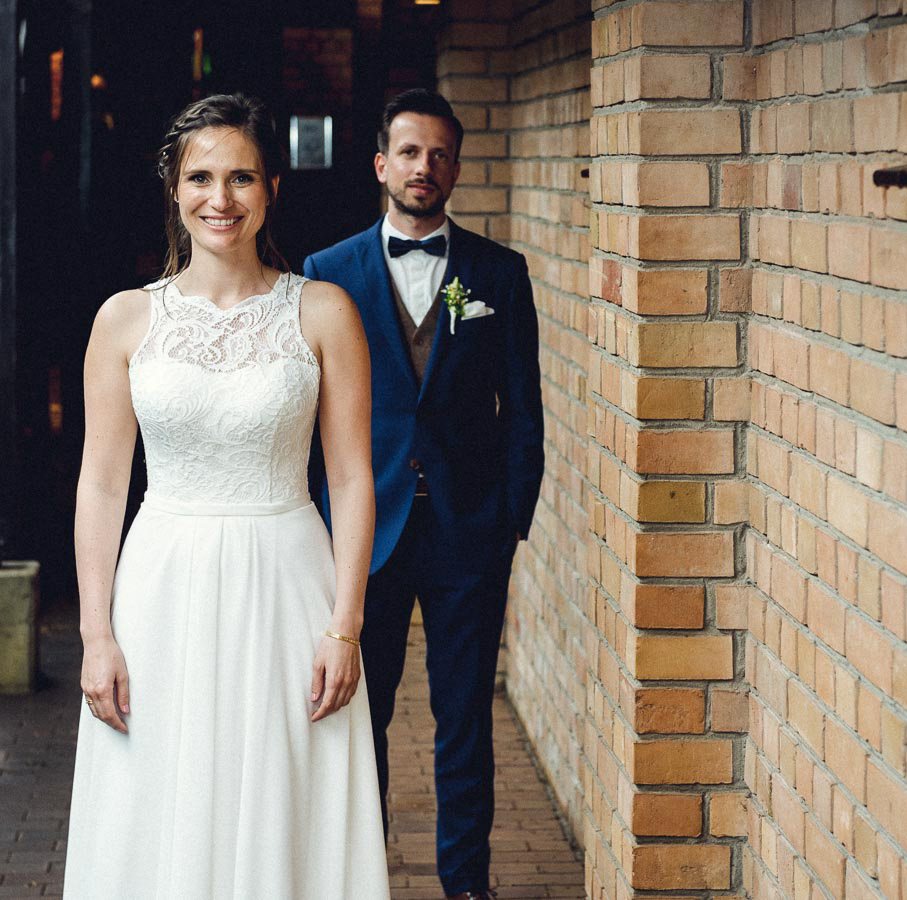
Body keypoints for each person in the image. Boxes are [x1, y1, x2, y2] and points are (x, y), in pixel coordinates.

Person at [64, 93, 390, 899]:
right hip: (162, 589)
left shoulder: (323, 311)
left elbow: (351, 478)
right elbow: (103, 484)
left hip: (287, 586)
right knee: (162, 792)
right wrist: (96, 634)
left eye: (241, 176)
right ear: (173, 188)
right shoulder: (124, 320)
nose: (222, 198)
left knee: (283, 795)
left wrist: (345, 626)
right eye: (201, 177)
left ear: (271, 186)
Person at [303, 89, 545, 900]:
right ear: (381, 164)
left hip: (468, 533)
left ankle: (465, 882)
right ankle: (357, 876)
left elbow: (525, 409)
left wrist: (508, 516)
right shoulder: (326, 274)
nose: (424, 167)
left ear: (457, 168)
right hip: (363, 536)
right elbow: (306, 420)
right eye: (409, 152)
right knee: (354, 720)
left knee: (464, 720)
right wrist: (320, 524)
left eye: (440, 154)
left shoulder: (497, 275)